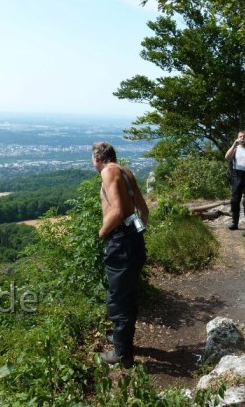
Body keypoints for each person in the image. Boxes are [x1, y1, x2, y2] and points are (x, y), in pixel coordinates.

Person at [92, 141, 149, 368]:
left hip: (120, 241)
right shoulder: (126, 171)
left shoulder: (108, 172)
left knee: (118, 298)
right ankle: (121, 339)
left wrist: (103, 232)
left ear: (98, 158)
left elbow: (116, 210)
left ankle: (121, 353)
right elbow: (143, 210)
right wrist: (137, 233)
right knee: (127, 293)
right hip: (134, 238)